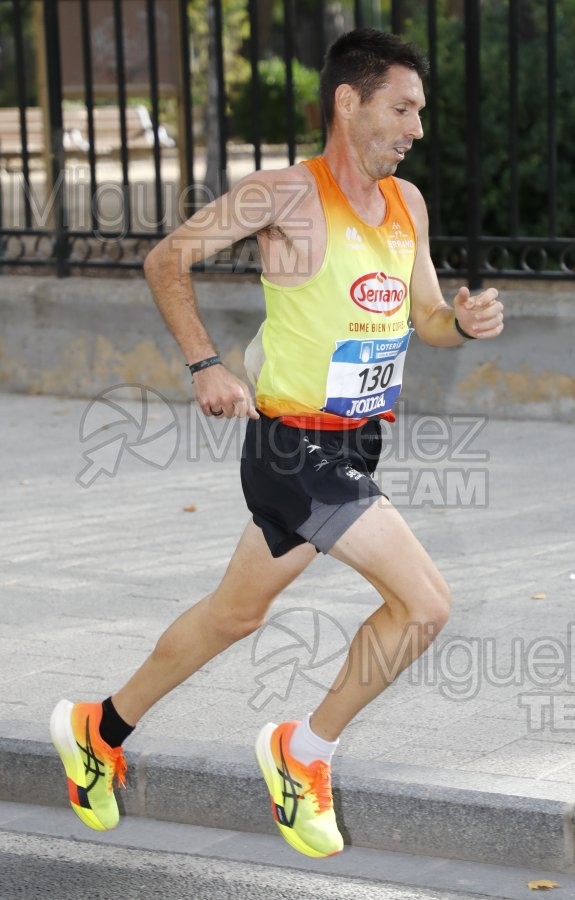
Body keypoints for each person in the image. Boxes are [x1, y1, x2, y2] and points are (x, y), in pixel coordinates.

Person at [50, 28, 504, 858]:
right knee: (426, 604)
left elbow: (425, 318)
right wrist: (204, 364)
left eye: (419, 112)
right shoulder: (280, 195)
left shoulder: (407, 204)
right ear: (348, 101)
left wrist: (462, 324)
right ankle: (305, 752)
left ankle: (98, 728)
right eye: (401, 108)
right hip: (295, 450)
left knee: (234, 614)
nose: (416, 128)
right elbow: (166, 259)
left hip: (358, 445)